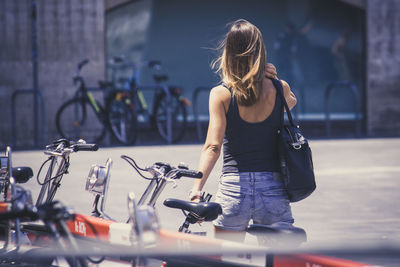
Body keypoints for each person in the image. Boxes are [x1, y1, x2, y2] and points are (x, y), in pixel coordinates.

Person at [190, 19, 297, 242]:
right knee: (280, 260)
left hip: (233, 189)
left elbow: (212, 146)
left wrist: (196, 188)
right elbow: (291, 103)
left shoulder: (220, 94)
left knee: (228, 259)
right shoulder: (279, 88)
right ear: (260, 51)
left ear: (229, 53)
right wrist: (274, 80)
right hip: (273, 188)